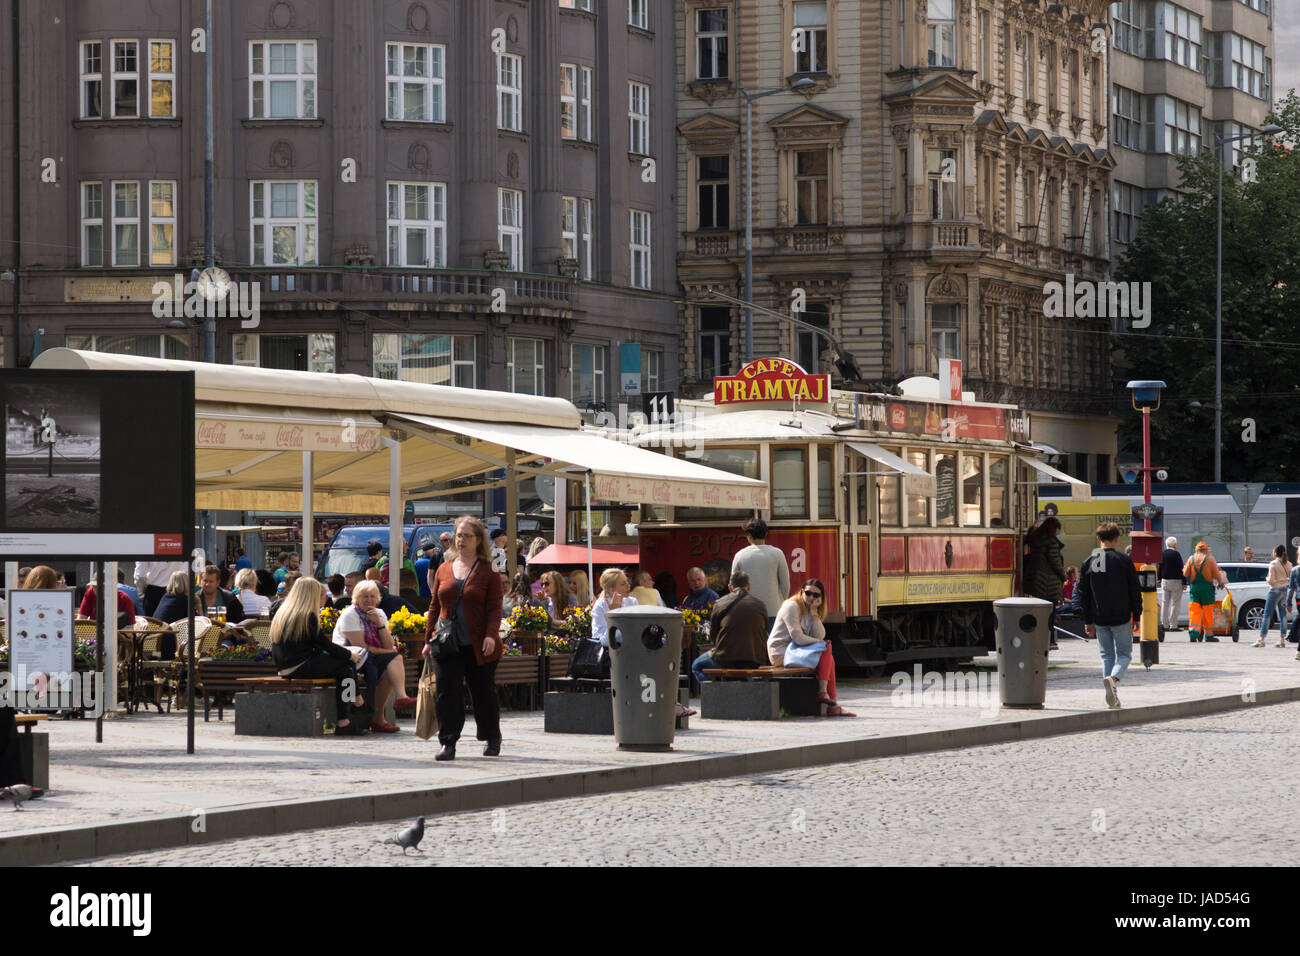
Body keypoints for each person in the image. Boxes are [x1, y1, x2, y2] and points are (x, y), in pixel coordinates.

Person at [423, 515, 505, 761]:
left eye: (467, 536)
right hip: (446, 643)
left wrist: (491, 635)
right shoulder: (443, 569)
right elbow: (435, 605)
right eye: (459, 535)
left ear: (479, 540)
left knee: (483, 693)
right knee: (447, 693)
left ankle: (492, 736)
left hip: (479, 644)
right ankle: (448, 742)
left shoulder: (489, 570)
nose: (461, 540)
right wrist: (428, 639)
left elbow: (495, 607)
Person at [271, 577, 369, 735]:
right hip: (299, 666)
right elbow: (325, 645)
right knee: (346, 667)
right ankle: (349, 712)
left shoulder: (284, 612)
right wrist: (350, 655)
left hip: (286, 667)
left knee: (345, 667)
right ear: (312, 596)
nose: (325, 597)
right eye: (322, 594)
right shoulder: (307, 616)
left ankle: (354, 703)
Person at [334, 580, 414, 733]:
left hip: (371, 656)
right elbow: (361, 647)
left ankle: (399, 699)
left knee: (393, 663)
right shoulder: (350, 614)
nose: (369, 600)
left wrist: (379, 624)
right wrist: (388, 652)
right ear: (357, 598)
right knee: (393, 657)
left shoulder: (380, 614)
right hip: (351, 658)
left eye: (372, 596)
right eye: (365, 597)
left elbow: (389, 644)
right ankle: (379, 718)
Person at [1078, 522, 1143, 708]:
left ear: (1098, 539)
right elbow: (1134, 590)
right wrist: (1136, 616)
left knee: (1106, 655)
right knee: (1124, 654)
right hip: (1121, 615)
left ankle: (1111, 695)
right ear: (1116, 539)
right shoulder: (1123, 560)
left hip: (1099, 617)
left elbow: (1083, 593)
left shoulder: (1090, 561)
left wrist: (1087, 619)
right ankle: (1113, 680)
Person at [767, 579, 852, 716]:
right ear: (802, 592)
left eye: (816, 595)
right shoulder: (791, 606)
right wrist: (821, 643)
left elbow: (820, 634)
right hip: (781, 653)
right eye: (808, 593)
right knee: (827, 649)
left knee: (828, 655)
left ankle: (830, 700)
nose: (811, 597)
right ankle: (829, 699)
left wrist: (814, 613)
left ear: (821, 598)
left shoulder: (808, 610)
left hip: (796, 651)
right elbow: (798, 638)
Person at [691, 570, 767, 685]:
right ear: (749, 586)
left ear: (730, 587)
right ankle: (749, 692)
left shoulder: (720, 603)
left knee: (696, 666)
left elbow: (714, 635)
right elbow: (763, 631)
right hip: (754, 659)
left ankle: (717, 696)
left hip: (725, 658)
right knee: (746, 670)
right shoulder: (761, 605)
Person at [731, 517, 790, 630]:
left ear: (749, 535)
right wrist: (779, 601)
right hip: (773, 609)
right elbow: (785, 584)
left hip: (748, 610)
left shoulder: (740, 555)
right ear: (765, 533)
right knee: (772, 645)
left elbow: (734, 585)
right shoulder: (777, 553)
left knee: (752, 645)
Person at [1025, 516, 1066, 648]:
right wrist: (1063, 576)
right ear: (1052, 529)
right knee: (1051, 611)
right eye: (1056, 530)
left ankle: (1038, 638)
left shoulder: (1034, 539)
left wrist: (1032, 527)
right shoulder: (1051, 542)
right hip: (1049, 582)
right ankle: (1049, 640)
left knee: (1040, 612)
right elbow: (1055, 562)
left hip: (1036, 580)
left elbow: (1031, 533)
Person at [1182, 542, 1227, 644]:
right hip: (1207, 589)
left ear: (1196, 550)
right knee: (1208, 612)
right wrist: (1220, 583)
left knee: (1194, 611)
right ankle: (1209, 635)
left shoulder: (1191, 559)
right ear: (1206, 550)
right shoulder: (1210, 559)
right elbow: (1217, 574)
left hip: (1195, 588)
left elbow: (1185, 573)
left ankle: (1193, 633)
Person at [591, 568, 637, 647]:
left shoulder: (632, 602)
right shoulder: (600, 606)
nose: (628, 585)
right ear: (611, 589)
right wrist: (615, 613)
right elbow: (602, 642)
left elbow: (637, 633)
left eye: (627, 581)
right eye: (623, 584)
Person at [1257, 544, 1292, 648]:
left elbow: (1271, 581)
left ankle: (1261, 639)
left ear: (1275, 553)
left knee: (1267, 614)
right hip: (1285, 590)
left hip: (1274, 591)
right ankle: (1282, 639)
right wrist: (1284, 580)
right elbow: (1290, 579)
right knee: (1283, 615)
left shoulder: (1273, 563)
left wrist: (1267, 579)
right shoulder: (1289, 564)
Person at [152, 570, 193, 636]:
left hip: (155, 636)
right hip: (169, 637)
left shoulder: (166, 597)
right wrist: (199, 604)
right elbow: (197, 621)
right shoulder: (184, 600)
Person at [1157, 536, 1185, 632]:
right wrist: (1184, 581)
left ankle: (1164, 625)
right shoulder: (1176, 554)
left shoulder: (1162, 554)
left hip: (1164, 581)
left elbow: (1159, 568)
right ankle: (1173, 625)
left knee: (1165, 603)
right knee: (1175, 603)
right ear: (1175, 545)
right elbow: (1181, 569)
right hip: (1176, 581)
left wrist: (1159, 578)